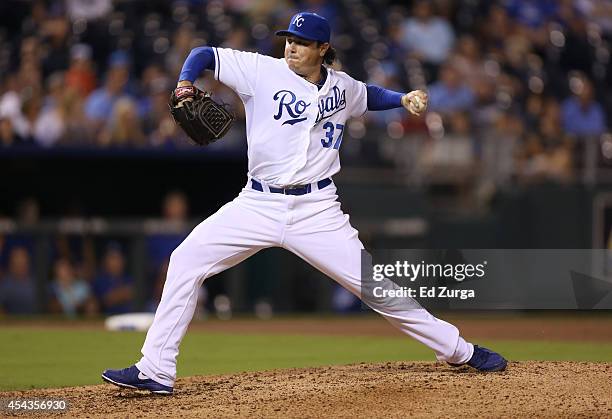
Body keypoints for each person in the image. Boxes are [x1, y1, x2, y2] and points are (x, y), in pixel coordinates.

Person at [102, 12, 506, 395]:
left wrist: (402, 100)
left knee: (376, 288)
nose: (292, 48)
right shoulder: (261, 70)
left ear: (323, 49)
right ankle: (155, 370)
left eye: (302, 43)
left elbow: (369, 94)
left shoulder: (342, 87)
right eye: (289, 40)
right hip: (256, 203)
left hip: (317, 210)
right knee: (185, 260)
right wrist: (186, 83)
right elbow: (203, 54)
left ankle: (459, 351)